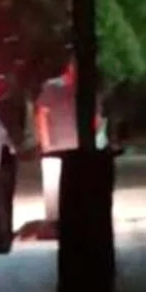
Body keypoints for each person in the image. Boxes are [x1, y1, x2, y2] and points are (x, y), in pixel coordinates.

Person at [35, 55, 106, 226]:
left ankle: (81, 218)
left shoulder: (88, 89)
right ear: (70, 67)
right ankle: (54, 220)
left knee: (82, 186)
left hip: (80, 148)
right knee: (54, 188)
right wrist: (45, 142)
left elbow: (97, 118)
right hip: (56, 147)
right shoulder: (53, 87)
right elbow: (42, 115)